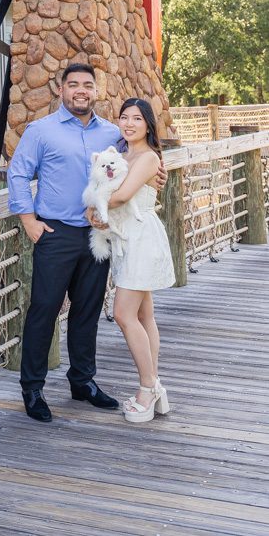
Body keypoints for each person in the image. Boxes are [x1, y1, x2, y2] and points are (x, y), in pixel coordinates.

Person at [8, 63, 169, 423]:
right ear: (61, 89)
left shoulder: (113, 134)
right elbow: (18, 174)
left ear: (96, 90)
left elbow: (141, 160)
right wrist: (29, 221)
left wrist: (161, 171)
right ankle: (32, 389)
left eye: (87, 85)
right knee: (44, 309)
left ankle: (83, 381)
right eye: (73, 84)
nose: (81, 90)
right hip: (56, 233)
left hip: (99, 236)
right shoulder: (41, 131)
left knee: (88, 311)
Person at [103, 98, 175, 424]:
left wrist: (91, 208)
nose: (129, 124)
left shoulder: (147, 158)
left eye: (136, 118)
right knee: (145, 314)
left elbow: (120, 195)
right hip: (126, 239)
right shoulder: (122, 154)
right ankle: (155, 383)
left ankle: (146, 389)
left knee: (122, 313)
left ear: (148, 123)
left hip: (140, 239)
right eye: (124, 118)